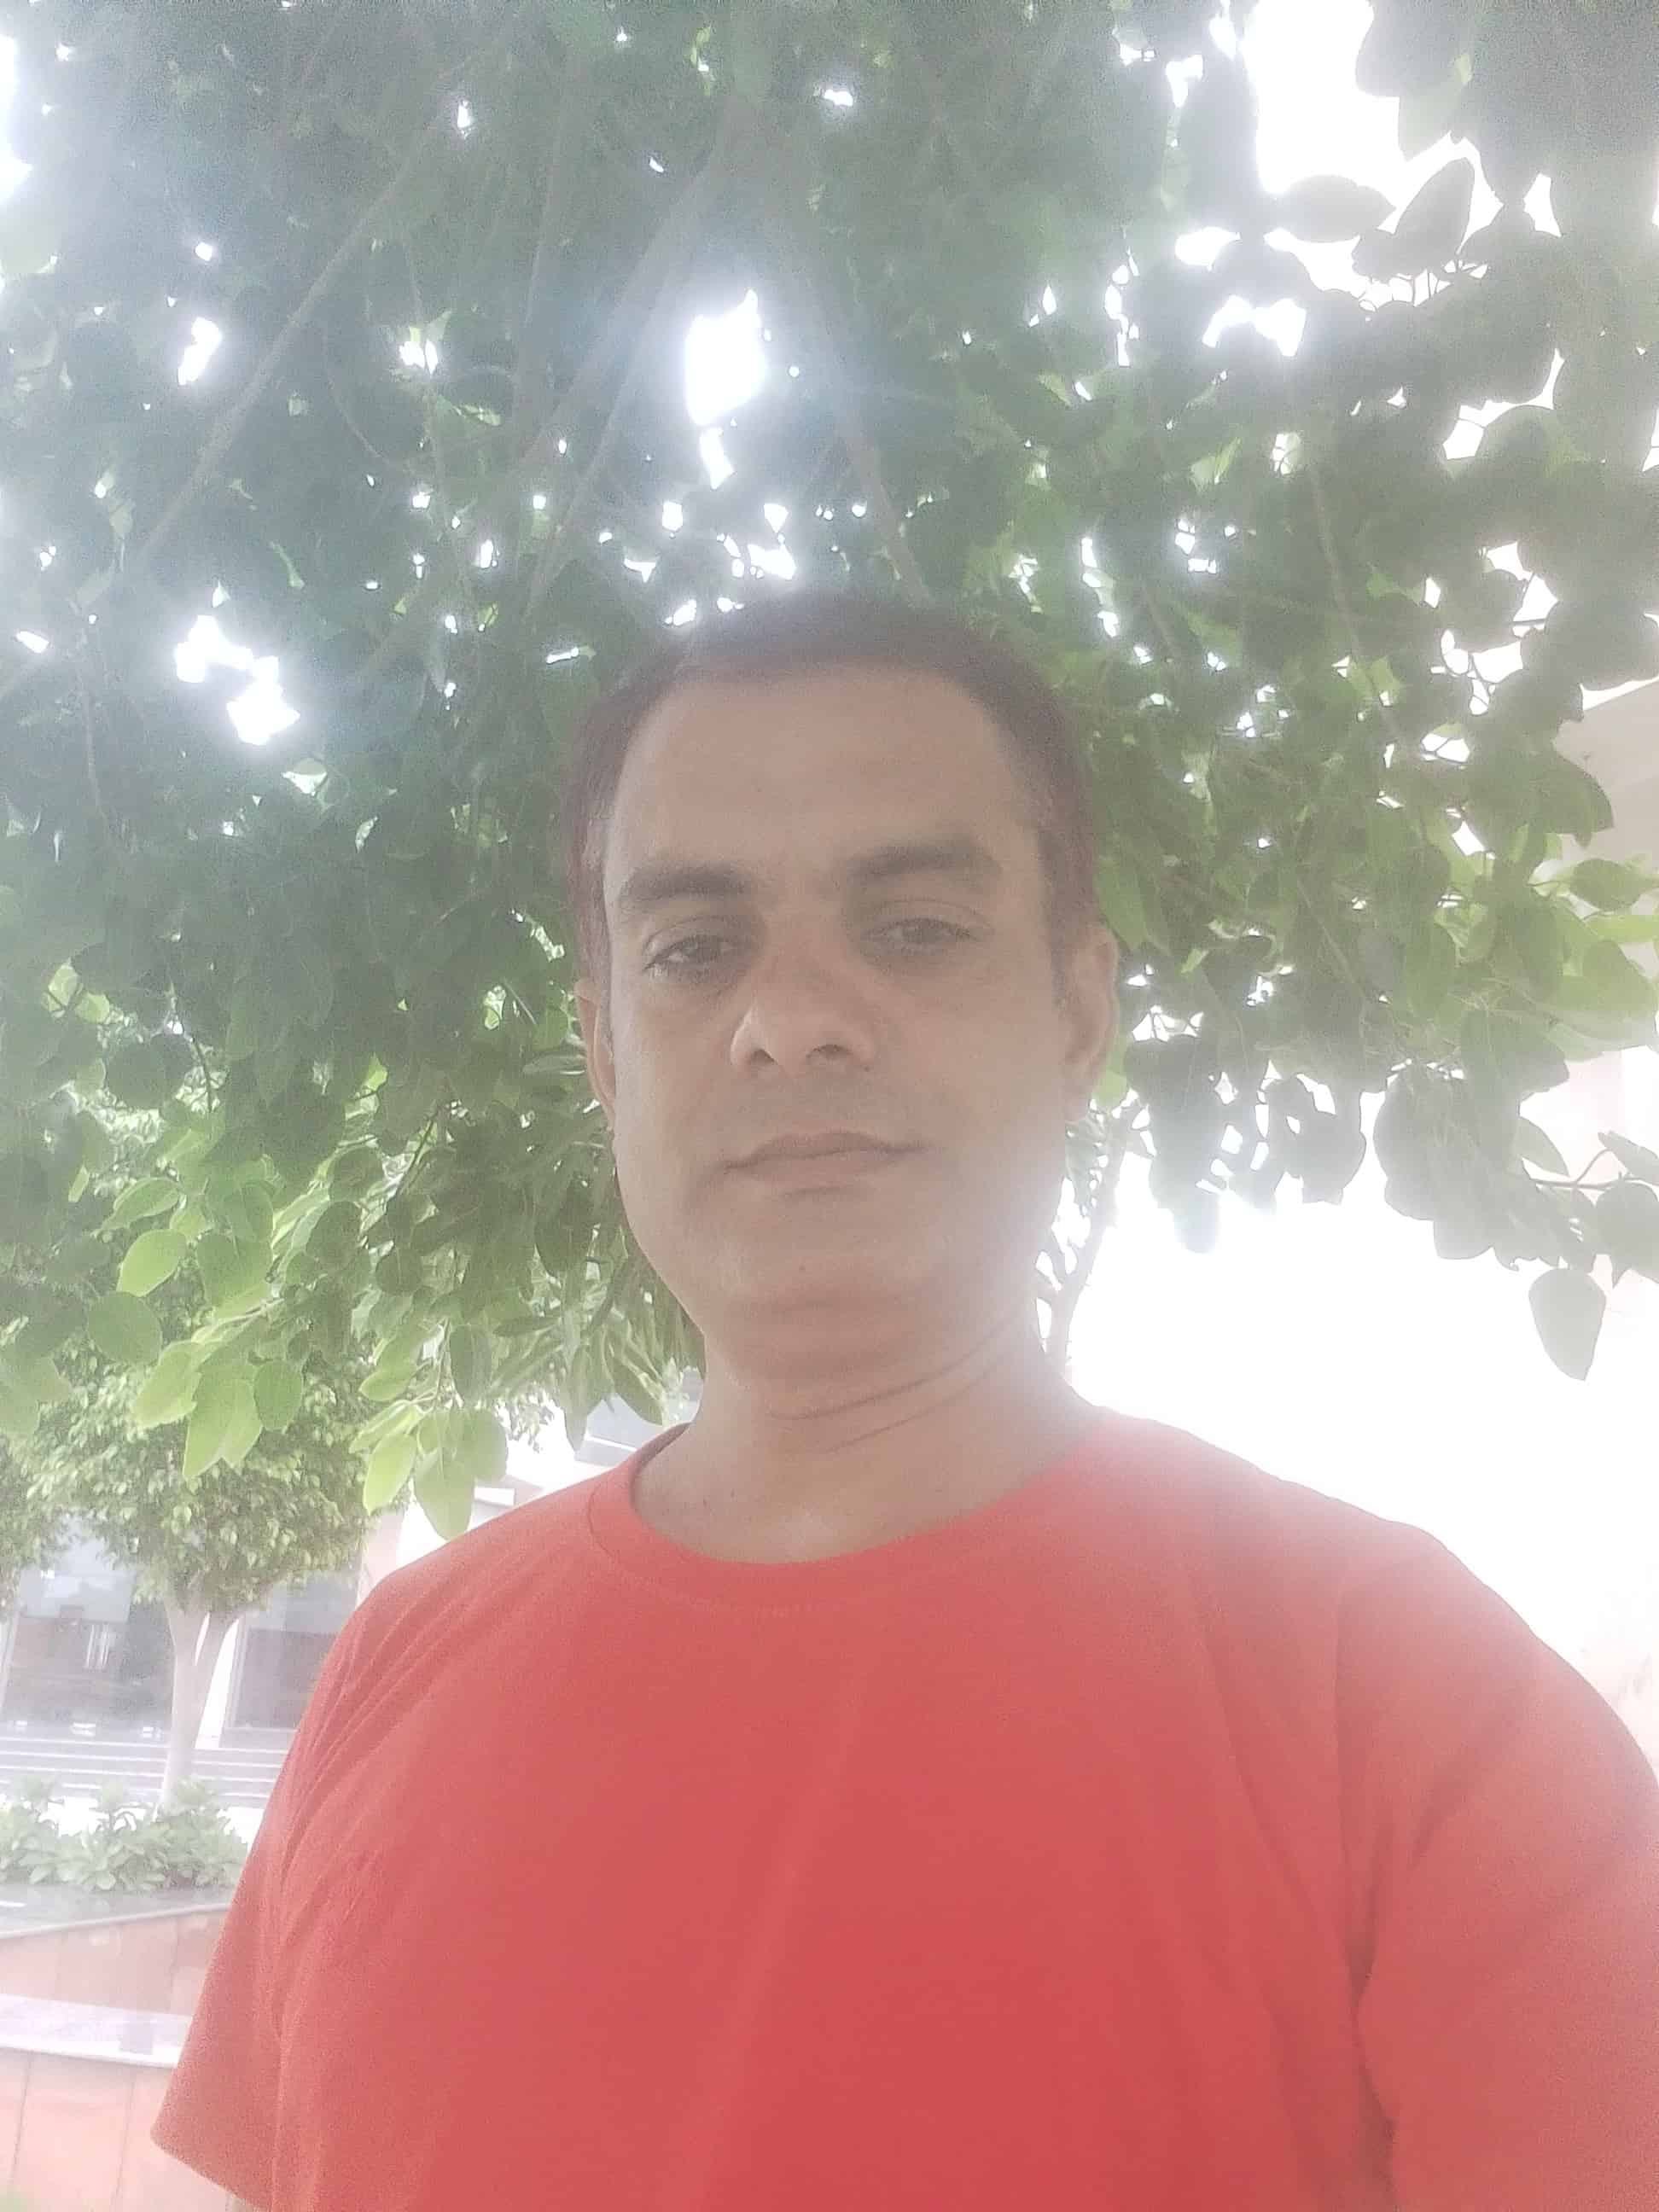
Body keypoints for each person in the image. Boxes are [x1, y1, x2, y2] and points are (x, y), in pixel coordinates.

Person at [154, 591, 1659, 2210]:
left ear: (1078, 1011)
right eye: (694, 950)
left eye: (917, 927)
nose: (791, 1021)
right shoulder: (397, 1663)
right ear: (604, 1048)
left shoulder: (1412, 1706)